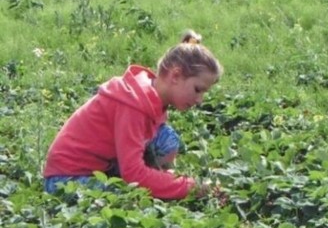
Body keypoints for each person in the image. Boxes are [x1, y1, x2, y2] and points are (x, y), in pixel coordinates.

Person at [43, 29, 223, 200]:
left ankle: (158, 179)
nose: (200, 100)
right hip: (66, 179)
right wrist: (189, 187)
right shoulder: (134, 104)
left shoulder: (151, 95)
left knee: (167, 139)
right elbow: (133, 174)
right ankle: (158, 182)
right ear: (175, 76)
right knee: (123, 193)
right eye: (198, 89)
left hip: (104, 164)